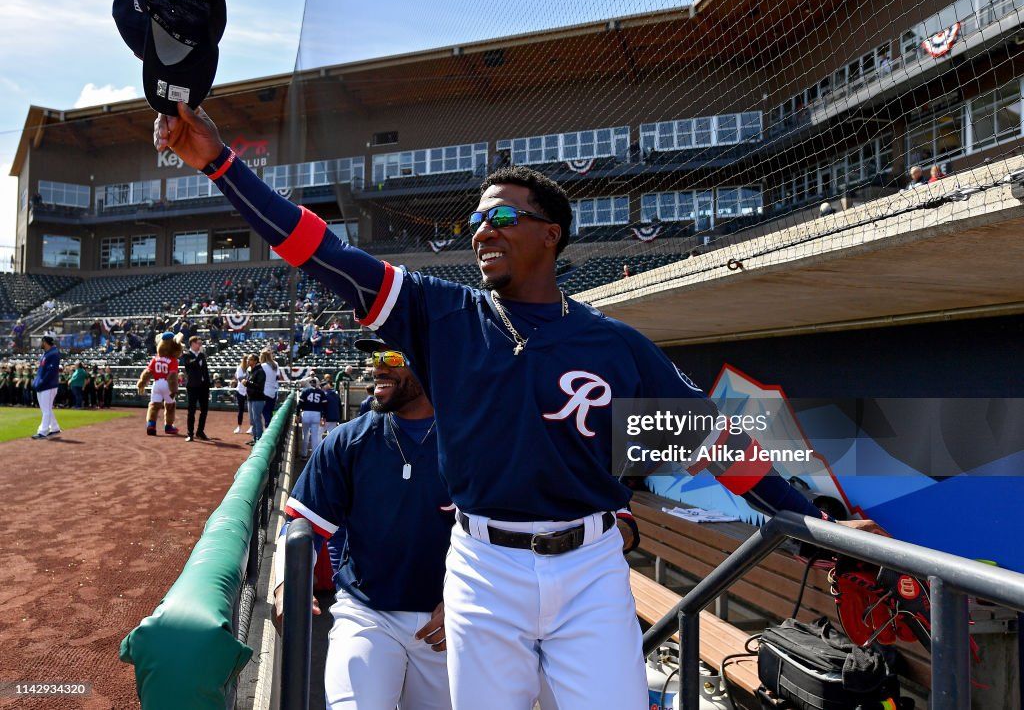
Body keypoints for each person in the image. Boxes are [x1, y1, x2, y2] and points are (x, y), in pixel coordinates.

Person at [157, 103, 880, 709]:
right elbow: (318, 248)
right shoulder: (441, 313)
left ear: (550, 232)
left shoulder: (613, 345)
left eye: (501, 214)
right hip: (481, 566)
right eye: (475, 218)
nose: (482, 228)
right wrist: (220, 161)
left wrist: (815, 528)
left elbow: (719, 445)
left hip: (591, 567)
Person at [273, 339, 453, 709]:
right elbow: (299, 526)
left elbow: (505, 536)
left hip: (450, 621)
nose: (378, 368)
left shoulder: (470, 440)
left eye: (391, 356)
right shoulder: (348, 440)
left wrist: (469, 602)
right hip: (368, 614)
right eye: (375, 357)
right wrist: (285, 583)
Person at [30, 336, 61, 440]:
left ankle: (42, 432)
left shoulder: (54, 353)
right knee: (46, 409)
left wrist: (42, 382)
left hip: (49, 386)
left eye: (42, 342)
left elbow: (51, 372)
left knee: (46, 410)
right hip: (43, 385)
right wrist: (37, 382)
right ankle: (55, 427)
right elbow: (42, 371)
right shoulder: (46, 353)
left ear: (45, 342)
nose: (41, 343)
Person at [182, 335, 212, 442]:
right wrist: (199, 356)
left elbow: (205, 370)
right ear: (192, 343)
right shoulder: (186, 355)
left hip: (203, 387)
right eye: (198, 343)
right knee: (191, 411)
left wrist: (208, 384)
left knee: (204, 410)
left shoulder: (202, 355)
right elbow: (191, 366)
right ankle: (190, 433)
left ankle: (200, 431)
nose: (200, 345)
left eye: (200, 343)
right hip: (193, 387)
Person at [297, 376, 327, 459]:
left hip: (306, 413)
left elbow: (299, 404)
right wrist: (324, 416)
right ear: (316, 384)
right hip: (316, 414)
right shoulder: (320, 392)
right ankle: (314, 456)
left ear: (310, 384)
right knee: (314, 436)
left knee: (305, 435)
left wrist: (297, 414)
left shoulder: (306, 391)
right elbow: (324, 405)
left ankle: (304, 455)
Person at [244, 354, 266, 446]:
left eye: (250, 359)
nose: (248, 361)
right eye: (248, 359)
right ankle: (254, 438)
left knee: (257, 419)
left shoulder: (260, 371)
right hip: (251, 398)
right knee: (252, 420)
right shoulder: (250, 371)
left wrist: (247, 383)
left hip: (258, 398)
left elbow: (259, 387)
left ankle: (259, 439)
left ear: (256, 361)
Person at [260, 349, 281, 428]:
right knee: (270, 411)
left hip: (264, 391)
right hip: (273, 390)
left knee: (264, 412)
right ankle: (270, 428)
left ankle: (267, 428)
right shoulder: (275, 364)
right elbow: (277, 377)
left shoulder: (262, 366)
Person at [232, 355, 249, 434]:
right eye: (246, 360)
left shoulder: (250, 368)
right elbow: (240, 379)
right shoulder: (239, 368)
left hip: (249, 391)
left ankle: (252, 427)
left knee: (251, 410)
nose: (247, 362)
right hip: (240, 391)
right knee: (240, 410)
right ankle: (239, 427)